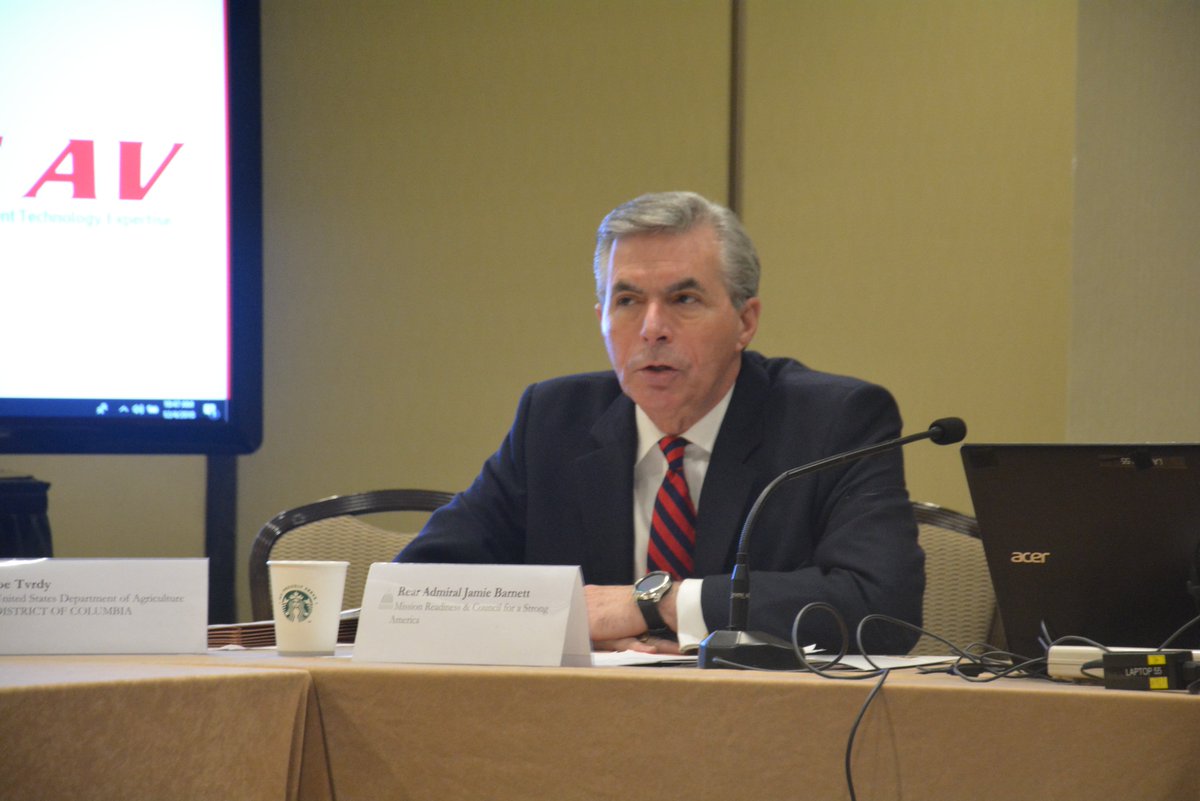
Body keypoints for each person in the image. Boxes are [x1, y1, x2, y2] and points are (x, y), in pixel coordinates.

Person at [397, 191, 923, 655]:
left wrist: (656, 603)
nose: (652, 329)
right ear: (601, 317)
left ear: (745, 322)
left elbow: (883, 607)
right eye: (627, 301)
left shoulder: (834, 422)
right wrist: (561, 623)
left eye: (683, 299)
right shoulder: (553, 421)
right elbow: (415, 592)